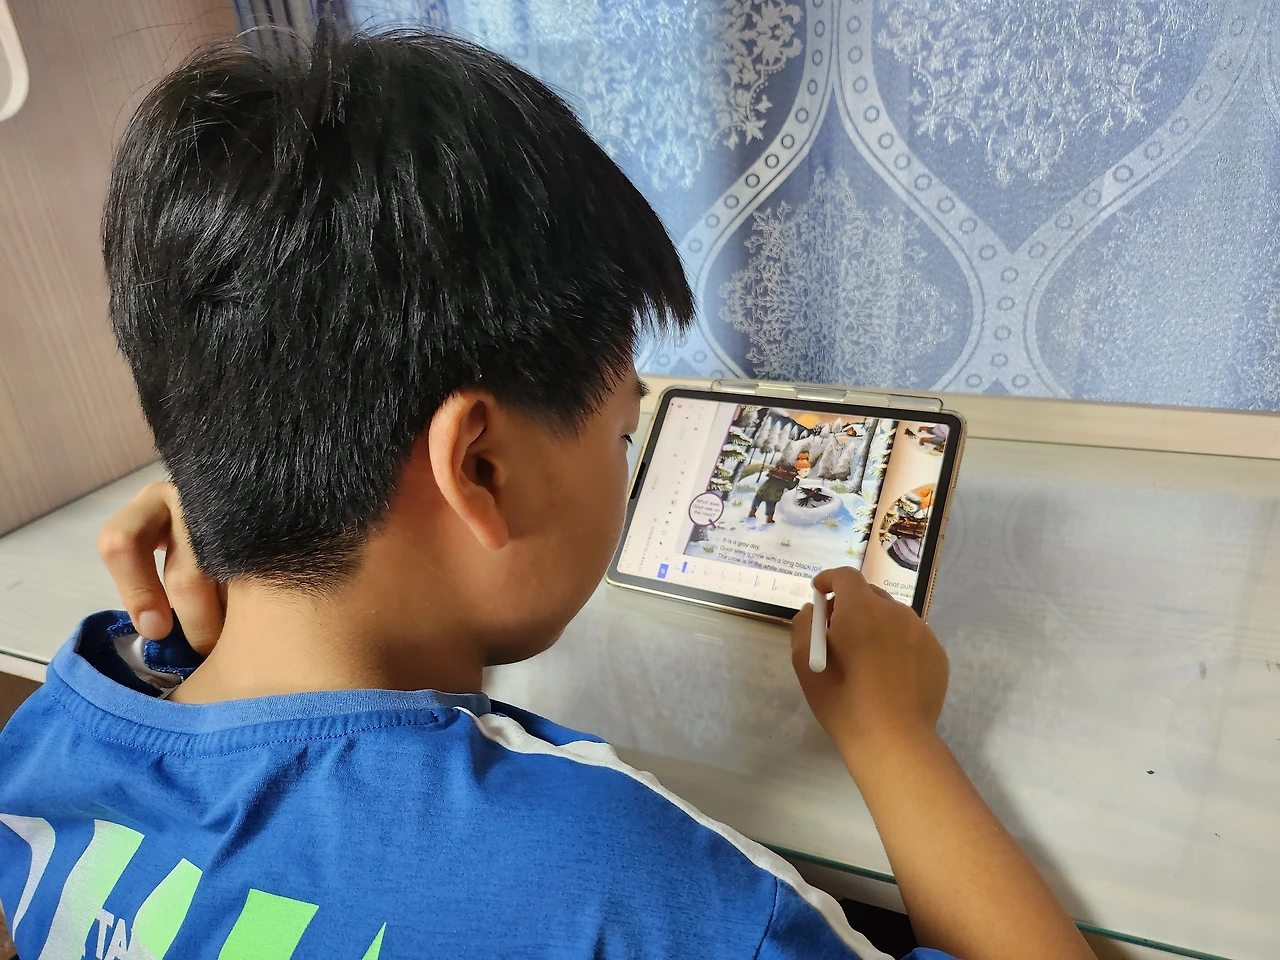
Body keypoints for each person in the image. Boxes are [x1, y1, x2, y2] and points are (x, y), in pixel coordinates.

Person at [0, 27, 1095, 960]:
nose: (627, 461)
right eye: (623, 434)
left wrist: (247, 512)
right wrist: (893, 735)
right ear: (480, 468)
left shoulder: (52, 737)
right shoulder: (641, 893)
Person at [748, 455, 807, 523]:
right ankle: (769, 519)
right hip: (774, 494)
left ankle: (752, 513)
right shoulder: (788, 478)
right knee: (771, 505)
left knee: (757, 501)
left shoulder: (776, 472)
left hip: (764, 490)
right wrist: (795, 482)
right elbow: (790, 486)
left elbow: (769, 474)